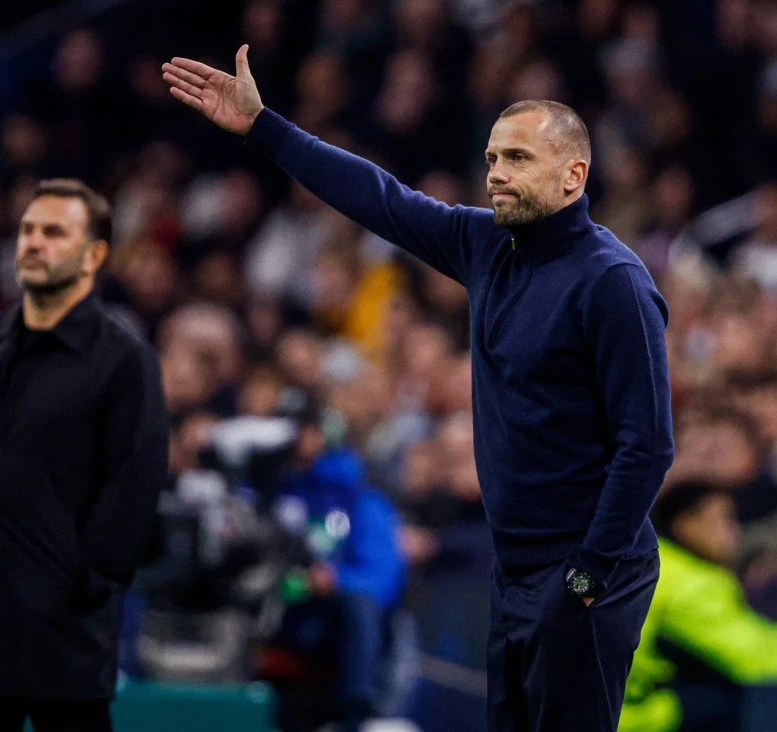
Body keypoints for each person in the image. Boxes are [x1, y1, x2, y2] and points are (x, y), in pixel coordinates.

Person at [163, 44, 674, 731]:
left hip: (585, 573)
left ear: (572, 175)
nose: (496, 174)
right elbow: (381, 198)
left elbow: (648, 446)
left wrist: (587, 574)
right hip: (516, 569)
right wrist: (264, 127)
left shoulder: (613, 282)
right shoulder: (486, 246)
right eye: (492, 158)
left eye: (518, 159)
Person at [0, 179, 170, 731]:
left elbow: (134, 485)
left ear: (94, 255)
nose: (34, 243)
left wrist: (86, 582)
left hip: (62, 629)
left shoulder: (123, 359)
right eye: (28, 230)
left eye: (55, 232)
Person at [620, 482, 777, 732]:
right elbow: (754, 659)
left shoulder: (653, 563)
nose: (735, 532)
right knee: (725, 702)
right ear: (686, 524)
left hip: (612, 713)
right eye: (724, 520)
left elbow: (756, 637)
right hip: (630, 719)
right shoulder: (688, 583)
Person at [265, 391, 405, 732]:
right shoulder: (269, 488)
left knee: (359, 606)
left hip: (328, 623)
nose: (294, 438)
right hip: (277, 609)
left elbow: (382, 577)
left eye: (302, 428)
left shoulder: (359, 495)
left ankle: (353, 713)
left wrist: (333, 580)